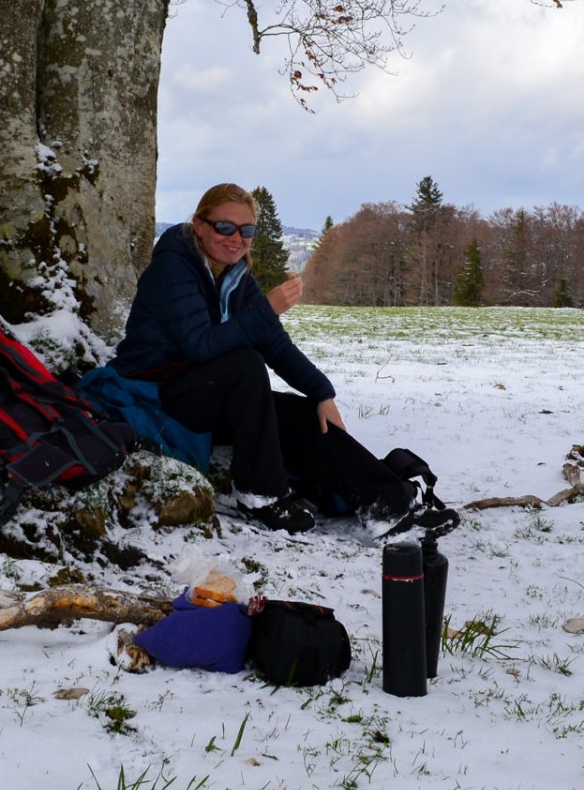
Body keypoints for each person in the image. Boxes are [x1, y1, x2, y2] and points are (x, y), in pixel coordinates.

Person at [109, 183, 458, 537]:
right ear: (199, 226)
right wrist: (267, 309)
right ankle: (261, 496)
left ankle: (387, 501)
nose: (236, 238)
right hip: (157, 394)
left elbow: (275, 345)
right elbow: (200, 346)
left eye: (247, 230)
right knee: (245, 364)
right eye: (225, 227)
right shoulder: (173, 269)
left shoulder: (235, 278)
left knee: (302, 416)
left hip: (209, 393)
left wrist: (322, 392)